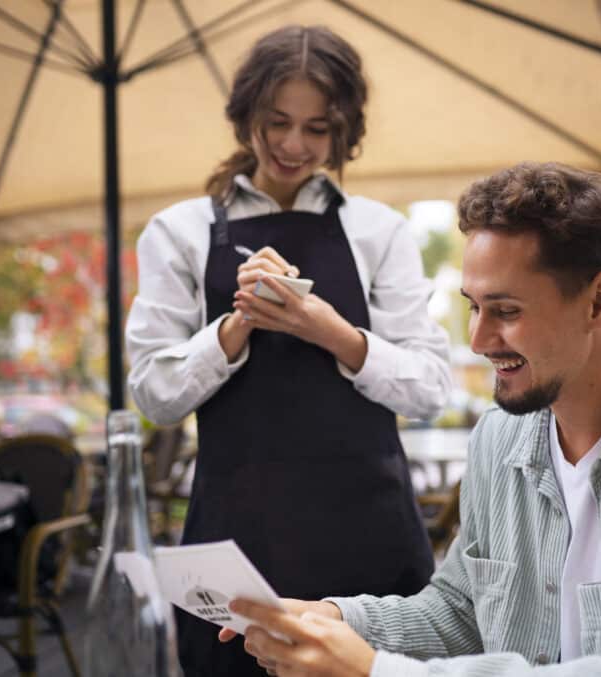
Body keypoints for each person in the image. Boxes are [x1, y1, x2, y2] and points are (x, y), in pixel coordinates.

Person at [223, 162, 601, 676]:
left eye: (505, 311)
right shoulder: (501, 436)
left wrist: (376, 671)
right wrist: (335, 621)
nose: (477, 340)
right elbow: (461, 611)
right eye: (473, 307)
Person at [125, 25, 452, 676]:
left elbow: (431, 388)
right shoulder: (180, 232)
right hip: (238, 546)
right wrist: (233, 328)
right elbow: (153, 394)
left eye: (317, 128)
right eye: (277, 122)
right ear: (246, 113)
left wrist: (330, 330)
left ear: (344, 132)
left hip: (371, 539)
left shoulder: (379, 231)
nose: (293, 145)